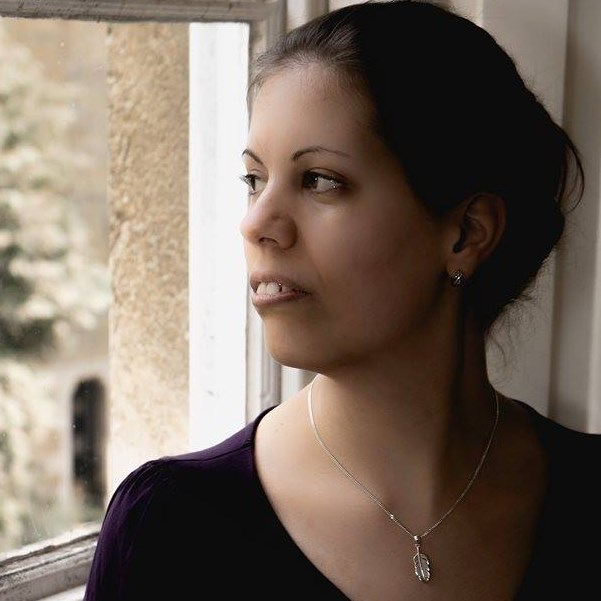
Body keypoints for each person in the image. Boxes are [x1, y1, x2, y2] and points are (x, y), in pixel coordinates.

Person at [83, 1, 601, 599]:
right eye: (254, 180)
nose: (257, 223)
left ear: (466, 233)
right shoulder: (170, 529)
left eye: (319, 180)